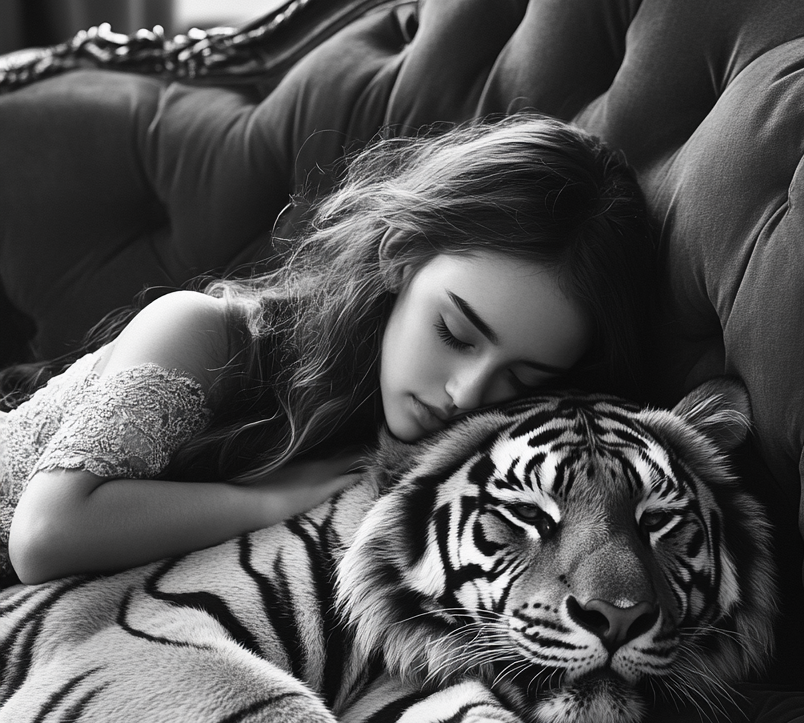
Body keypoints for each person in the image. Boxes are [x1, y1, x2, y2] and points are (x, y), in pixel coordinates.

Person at [2, 115, 654, 585]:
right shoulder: (205, 332)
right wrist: (273, 499)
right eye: (454, 334)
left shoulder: (442, 455)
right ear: (401, 257)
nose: (467, 393)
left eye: (521, 377)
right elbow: (46, 535)